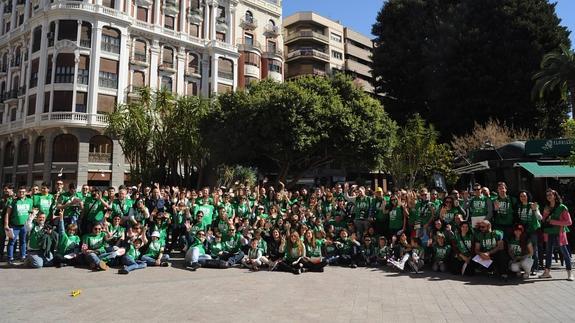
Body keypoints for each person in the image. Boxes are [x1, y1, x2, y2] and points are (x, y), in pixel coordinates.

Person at [539, 189, 573, 281]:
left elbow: (569, 222)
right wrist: (545, 214)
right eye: (547, 195)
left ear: (555, 196)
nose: (549, 196)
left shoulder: (562, 207)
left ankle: (570, 273)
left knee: (565, 252)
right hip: (549, 232)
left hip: (559, 233)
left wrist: (554, 221)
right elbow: (543, 221)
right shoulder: (547, 207)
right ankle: (547, 272)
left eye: (550, 194)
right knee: (549, 252)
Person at [4, 186, 34, 264]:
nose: (21, 193)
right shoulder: (13, 201)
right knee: (11, 242)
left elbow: (30, 212)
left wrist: (31, 220)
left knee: (23, 242)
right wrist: (6, 224)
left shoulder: (30, 201)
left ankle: (23, 257)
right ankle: (10, 258)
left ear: (26, 192)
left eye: (23, 192)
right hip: (14, 225)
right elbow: (7, 213)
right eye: (20, 192)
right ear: (17, 192)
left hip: (24, 226)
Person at [516, 190, 542, 274]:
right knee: (525, 249)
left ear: (528, 196)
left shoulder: (533, 205)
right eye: (521, 196)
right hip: (523, 231)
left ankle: (534, 268)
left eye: (524, 196)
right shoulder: (519, 206)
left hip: (532, 230)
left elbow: (539, 218)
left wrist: (534, 210)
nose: (523, 198)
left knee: (534, 249)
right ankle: (526, 267)